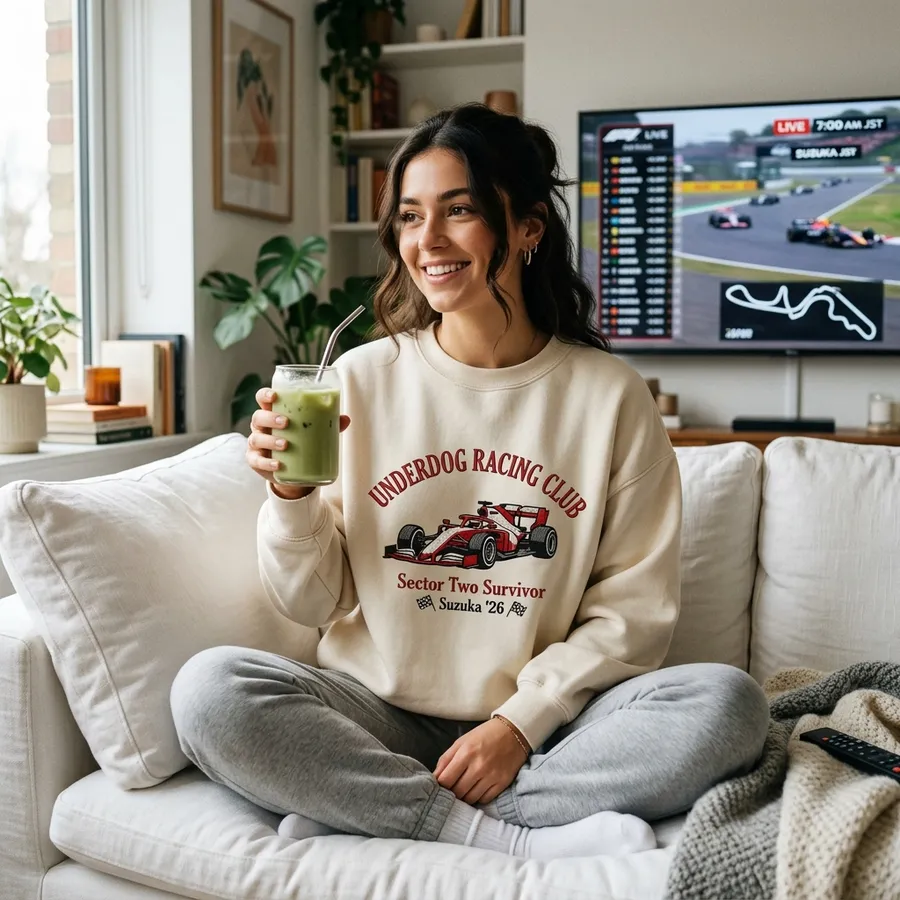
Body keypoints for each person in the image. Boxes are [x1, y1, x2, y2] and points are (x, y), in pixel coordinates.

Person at [170, 103, 769, 860]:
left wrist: (517, 726)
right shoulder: (358, 379)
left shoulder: (609, 396)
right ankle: (497, 835)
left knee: (729, 706)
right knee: (209, 691)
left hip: (547, 728)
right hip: (377, 711)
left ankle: (367, 804)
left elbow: (634, 615)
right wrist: (290, 498)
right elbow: (310, 602)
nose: (429, 241)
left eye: (460, 211)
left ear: (525, 228)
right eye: (412, 217)